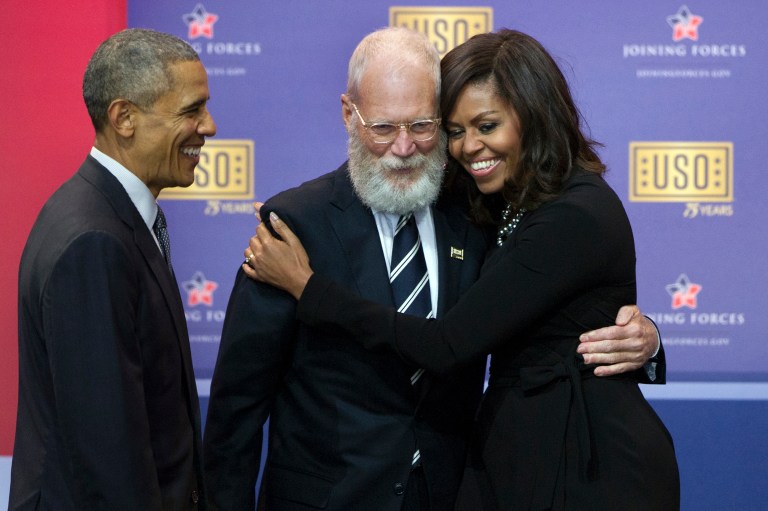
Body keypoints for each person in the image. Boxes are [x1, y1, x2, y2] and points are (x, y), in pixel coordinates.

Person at [206, 27, 663, 511]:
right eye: (383, 127)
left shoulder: (478, 210)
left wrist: (649, 336)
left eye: (423, 126)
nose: (404, 147)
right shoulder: (297, 226)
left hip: (474, 489)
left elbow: (466, 335)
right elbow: (238, 405)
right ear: (349, 114)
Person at [11, 28, 216, 510]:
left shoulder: (102, 212)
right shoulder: (94, 241)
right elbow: (108, 457)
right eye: (191, 110)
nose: (208, 126)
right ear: (124, 117)